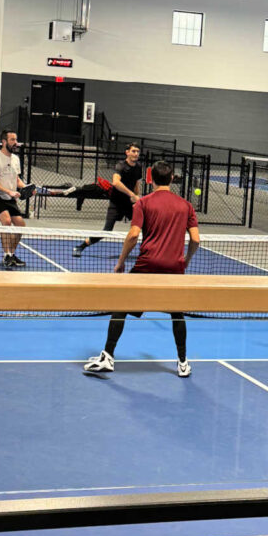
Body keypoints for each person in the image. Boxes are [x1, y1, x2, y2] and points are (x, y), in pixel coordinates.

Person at [84, 160, 201, 377]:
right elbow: (195, 239)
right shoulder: (186, 206)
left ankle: (108, 356)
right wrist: (186, 260)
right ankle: (183, 362)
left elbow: (133, 235)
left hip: (147, 265)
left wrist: (120, 262)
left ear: (151, 179)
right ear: (172, 178)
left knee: (121, 306)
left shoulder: (143, 203)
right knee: (177, 314)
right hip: (174, 268)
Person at [74, 143, 142, 257]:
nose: (136, 154)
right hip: (116, 203)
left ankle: (147, 252)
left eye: (137, 151)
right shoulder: (121, 166)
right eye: (133, 151)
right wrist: (131, 194)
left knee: (145, 226)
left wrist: (137, 198)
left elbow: (136, 184)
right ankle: (80, 246)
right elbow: (115, 183)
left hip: (129, 205)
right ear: (127, 152)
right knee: (106, 231)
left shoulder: (139, 167)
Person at [0, 130, 28, 269]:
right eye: (12, 140)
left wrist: (26, 187)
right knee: (7, 221)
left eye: (16, 140)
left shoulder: (16, 159)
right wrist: (9, 191)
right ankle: (6, 255)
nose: (15, 143)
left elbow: (16, 180)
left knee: (21, 225)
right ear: (4, 142)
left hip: (9, 197)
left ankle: (12, 255)